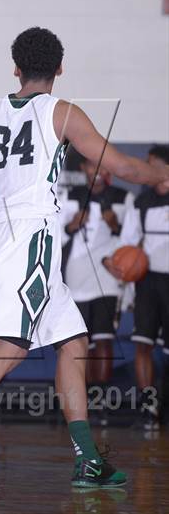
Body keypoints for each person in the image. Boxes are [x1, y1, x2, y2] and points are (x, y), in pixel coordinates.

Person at [0, 27, 169, 488]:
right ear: (60, 69)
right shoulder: (60, 112)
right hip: (31, 239)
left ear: (14, 68)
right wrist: (158, 174)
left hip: (5, 237)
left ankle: (87, 458)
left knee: (73, 341)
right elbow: (120, 166)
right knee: (12, 342)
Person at [60, 157, 134, 424]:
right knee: (81, 343)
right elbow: (56, 234)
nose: (98, 173)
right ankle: (85, 400)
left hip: (108, 276)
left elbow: (131, 240)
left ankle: (100, 400)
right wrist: (71, 226)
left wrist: (116, 227)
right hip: (76, 276)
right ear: (83, 170)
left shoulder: (122, 197)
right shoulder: (71, 195)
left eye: (103, 168)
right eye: (92, 167)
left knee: (103, 339)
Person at [103, 144, 169, 430]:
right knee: (142, 343)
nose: (146, 169)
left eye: (152, 164)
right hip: (147, 280)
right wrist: (111, 259)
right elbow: (127, 242)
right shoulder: (141, 202)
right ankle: (149, 405)